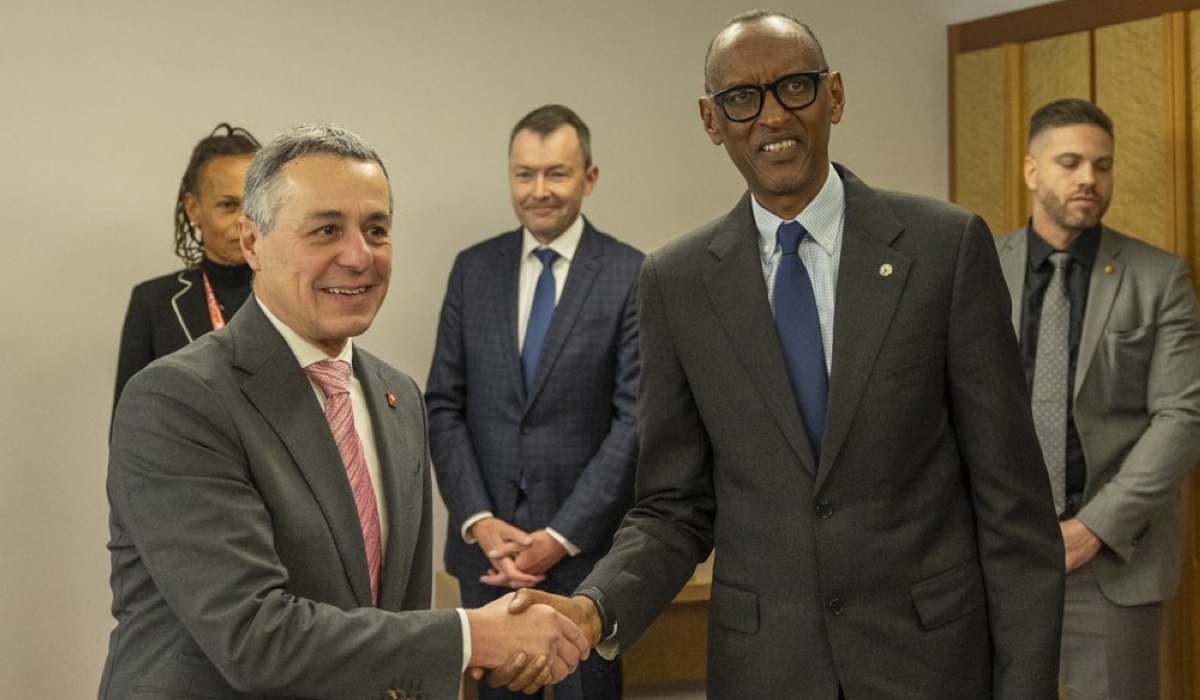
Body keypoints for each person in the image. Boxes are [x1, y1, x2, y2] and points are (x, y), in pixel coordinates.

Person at [498, 11, 1065, 700]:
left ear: (834, 96)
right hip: (767, 670)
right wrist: (594, 609)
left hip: (930, 664)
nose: (771, 117)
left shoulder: (943, 250)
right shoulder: (676, 284)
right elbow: (674, 507)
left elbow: (1014, 508)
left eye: (794, 87)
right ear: (712, 120)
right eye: (742, 99)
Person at [100, 123, 588, 700]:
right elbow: (256, 639)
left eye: (376, 230)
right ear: (251, 241)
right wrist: (472, 636)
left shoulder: (399, 397)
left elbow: (396, 615)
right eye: (326, 229)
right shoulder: (177, 399)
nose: (358, 256)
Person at [426, 104, 642, 700]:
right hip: (488, 561)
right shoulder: (473, 269)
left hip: (584, 564)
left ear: (589, 178)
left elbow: (634, 423)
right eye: (524, 174)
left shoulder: (630, 275)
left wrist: (559, 536)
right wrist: (481, 523)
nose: (538, 190)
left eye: (557, 173)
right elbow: (443, 405)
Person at [996, 98, 1200, 699]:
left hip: (1113, 558)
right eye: (1071, 162)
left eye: (1102, 165)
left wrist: (1091, 529)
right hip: (999, 558)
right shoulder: (979, 265)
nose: (1089, 177)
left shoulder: (1159, 278)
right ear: (1033, 170)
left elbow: (1184, 415)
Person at [113, 123, 261, 409]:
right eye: (228, 206)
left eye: (254, 205)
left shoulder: (294, 294)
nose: (244, 222)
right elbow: (128, 428)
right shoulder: (154, 302)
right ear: (194, 209)